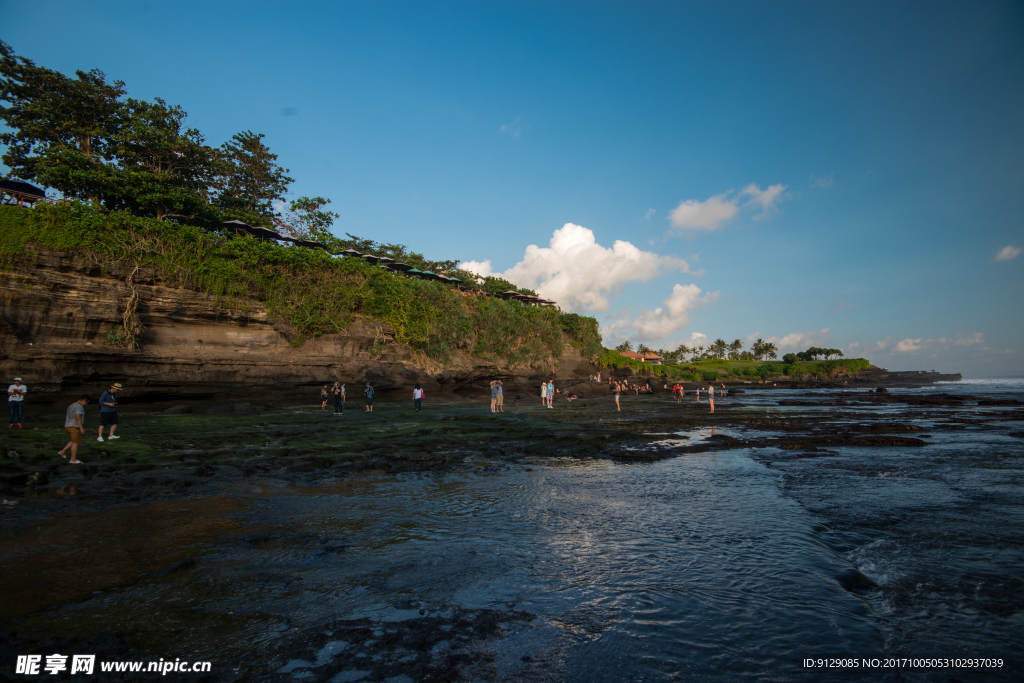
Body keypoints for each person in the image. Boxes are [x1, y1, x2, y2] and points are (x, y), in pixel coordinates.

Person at [58, 395, 89, 464]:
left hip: (67, 425)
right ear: (84, 400)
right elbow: (78, 417)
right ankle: (73, 459)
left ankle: (62, 452)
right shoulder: (79, 406)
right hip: (74, 426)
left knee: (75, 440)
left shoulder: (71, 405)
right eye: (86, 403)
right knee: (76, 442)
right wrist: (81, 428)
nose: (86, 404)